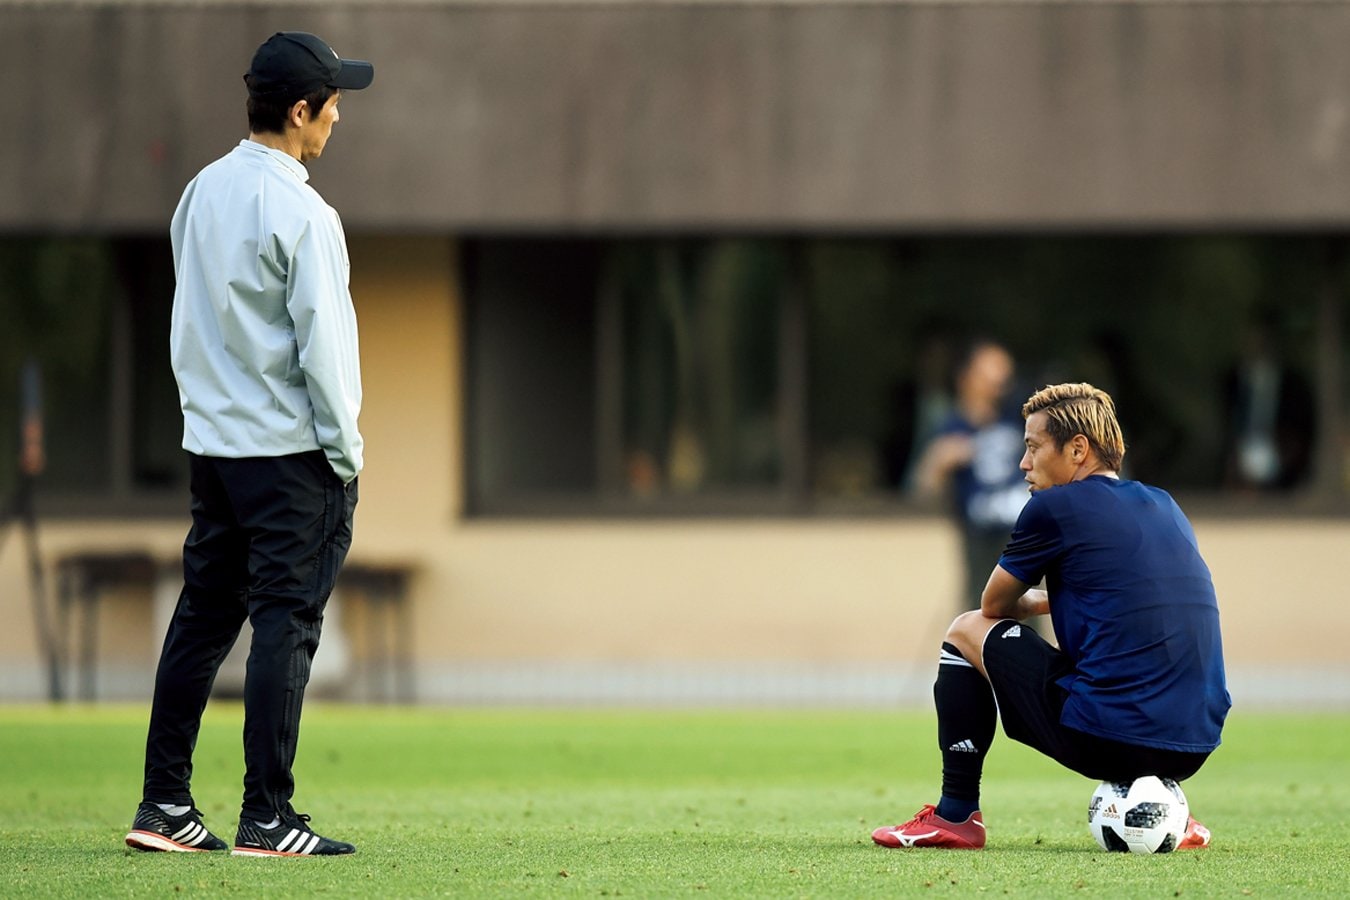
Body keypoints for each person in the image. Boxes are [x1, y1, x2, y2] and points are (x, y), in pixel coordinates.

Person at [124, 32, 373, 857]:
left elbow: (186, 325)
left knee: (202, 619)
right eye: (333, 101)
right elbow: (326, 354)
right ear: (299, 111)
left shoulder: (200, 191)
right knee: (285, 623)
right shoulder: (304, 211)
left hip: (215, 451)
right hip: (291, 458)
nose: (340, 114)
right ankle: (268, 816)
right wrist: (348, 455)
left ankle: (163, 805)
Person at [872, 383, 1230, 850]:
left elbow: (994, 607)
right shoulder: (1165, 505)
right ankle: (1175, 813)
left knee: (965, 630)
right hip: (1198, 742)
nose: (1024, 464)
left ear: (1077, 449)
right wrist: (1066, 596)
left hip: (1110, 739)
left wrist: (1049, 597)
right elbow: (1152, 599)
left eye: (1033, 447)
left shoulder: (1054, 506)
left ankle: (955, 815)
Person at [910, 340, 1028, 610]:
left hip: (1020, 533)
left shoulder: (1018, 417)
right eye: (989, 374)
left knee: (1024, 609)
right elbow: (924, 486)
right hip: (977, 536)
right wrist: (940, 460)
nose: (998, 383)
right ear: (967, 378)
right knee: (981, 608)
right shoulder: (952, 425)